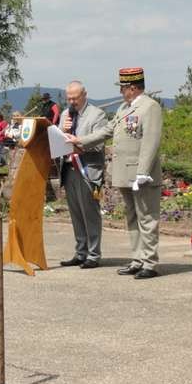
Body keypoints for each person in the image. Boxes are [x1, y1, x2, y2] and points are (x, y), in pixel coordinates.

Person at [66, 67, 163, 279]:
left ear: (134, 87)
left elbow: (151, 142)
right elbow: (108, 131)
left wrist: (143, 171)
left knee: (146, 218)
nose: (121, 91)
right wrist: (80, 141)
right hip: (124, 173)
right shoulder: (123, 108)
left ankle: (150, 262)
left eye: (123, 88)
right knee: (132, 217)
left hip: (140, 174)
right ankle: (138, 259)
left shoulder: (150, 107)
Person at [58, 80, 107, 268]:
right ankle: (80, 252)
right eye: (68, 98)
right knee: (76, 213)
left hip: (88, 169)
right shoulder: (65, 114)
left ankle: (94, 255)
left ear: (84, 95)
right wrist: (63, 131)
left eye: (75, 98)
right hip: (69, 169)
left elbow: (100, 143)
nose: (72, 102)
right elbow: (59, 140)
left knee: (90, 213)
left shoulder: (97, 114)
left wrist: (79, 142)